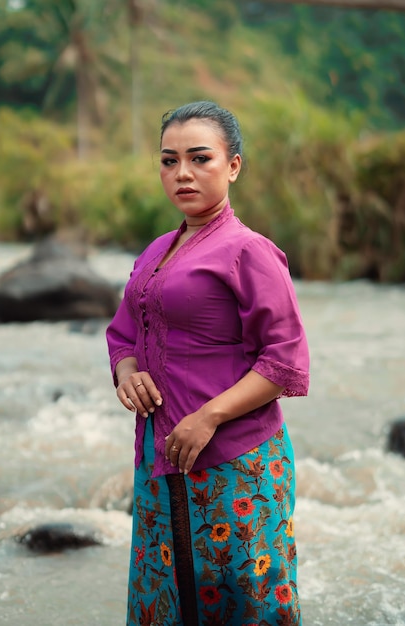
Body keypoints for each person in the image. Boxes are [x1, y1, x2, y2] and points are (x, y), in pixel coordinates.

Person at [106, 100, 309, 626]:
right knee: (167, 597)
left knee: (245, 598)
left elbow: (284, 360)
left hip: (234, 463)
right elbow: (123, 331)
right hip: (159, 458)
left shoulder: (250, 252)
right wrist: (126, 371)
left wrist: (210, 416)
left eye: (200, 159)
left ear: (233, 166)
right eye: (169, 161)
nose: (183, 174)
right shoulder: (155, 250)